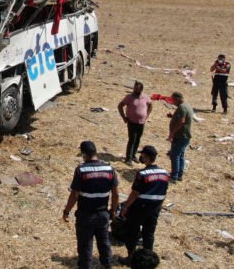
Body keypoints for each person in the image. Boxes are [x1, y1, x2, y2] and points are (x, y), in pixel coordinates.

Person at [62, 141, 119, 269]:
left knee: (85, 245)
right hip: (103, 213)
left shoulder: (81, 170)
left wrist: (66, 211)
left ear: (84, 154)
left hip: (85, 215)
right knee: (104, 242)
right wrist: (113, 211)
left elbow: (74, 195)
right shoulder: (110, 169)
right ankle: (108, 265)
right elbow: (115, 194)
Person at [118, 146, 169, 266]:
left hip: (140, 207)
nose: (141, 157)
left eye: (143, 155)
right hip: (155, 208)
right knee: (149, 233)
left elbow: (135, 193)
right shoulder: (165, 173)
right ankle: (148, 259)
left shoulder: (142, 174)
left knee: (132, 231)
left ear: (146, 157)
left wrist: (125, 207)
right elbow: (163, 192)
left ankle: (131, 257)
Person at [118, 81, 153, 165]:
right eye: (135, 88)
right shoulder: (129, 97)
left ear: (141, 89)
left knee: (137, 139)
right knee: (132, 140)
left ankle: (133, 155)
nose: (135, 90)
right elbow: (120, 106)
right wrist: (124, 117)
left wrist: (146, 116)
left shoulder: (145, 97)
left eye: (137, 89)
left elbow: (150, 105)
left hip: (141, 123)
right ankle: (128, 158)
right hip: (132, 122)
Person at [166, 92, 192, 183]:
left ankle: (174, 176)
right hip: (185, 136)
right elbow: (182, 118)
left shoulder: (182, 107)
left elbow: (182, 121)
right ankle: (179, 174)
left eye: (173, 100)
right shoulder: (187, 106)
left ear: (178, 98)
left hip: (180, 136)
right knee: (180, 155)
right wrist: (172, 117)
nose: (173, 102)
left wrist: (172, 133)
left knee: (175, 156)